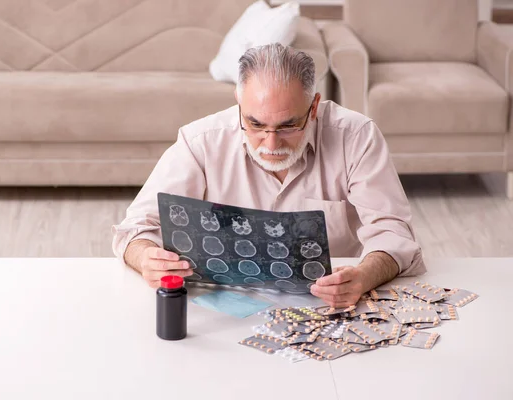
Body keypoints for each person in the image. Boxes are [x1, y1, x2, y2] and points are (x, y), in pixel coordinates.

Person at [112, 43, 426, 308]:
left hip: (332, 305)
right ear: (238, 100)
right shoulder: (200, 142)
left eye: (289, 126)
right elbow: (135, 229)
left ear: (314, 106)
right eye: (256, 124)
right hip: (222, 309)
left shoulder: (356, 137)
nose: (271, 144)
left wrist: (364, 276)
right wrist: (145, 259)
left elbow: (393, 231)